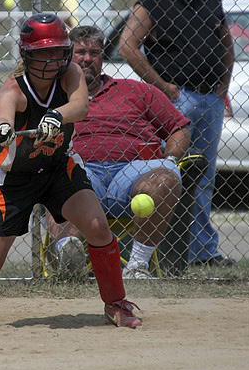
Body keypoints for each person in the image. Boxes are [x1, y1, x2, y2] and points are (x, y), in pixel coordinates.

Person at [0, 14, 141, 328]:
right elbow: (3, 116)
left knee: (97, 226)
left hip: (57, 169)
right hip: (12, 181)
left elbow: (80, 106)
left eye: (57, 52)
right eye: (43, 54)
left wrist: (55, 115)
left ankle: (116, 303)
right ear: (27, 55)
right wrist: (6, 129)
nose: (52, 60)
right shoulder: (14, 90)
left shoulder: (71, 73)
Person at [118, 0, 235, 267]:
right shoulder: (153, 1)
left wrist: (222, 86)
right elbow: (128, 45)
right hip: (176, 100)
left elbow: (227, 45)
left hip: (209, 99)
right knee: (170, 173)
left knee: (204, 177)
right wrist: (162, 87)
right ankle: (162, 250)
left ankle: (202, 251)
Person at [49, 25, 192, 280]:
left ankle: (136, 266)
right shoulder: (52, 96)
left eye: (94, 53)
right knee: (55, 177)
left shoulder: (137, 90)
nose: (87, 59)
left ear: (102, 58)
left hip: (134, 173)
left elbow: (178, 128)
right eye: (80, 52)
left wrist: (170, 159)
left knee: (166, 177)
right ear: (67, 57)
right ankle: (67, 256)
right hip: (80, 170)